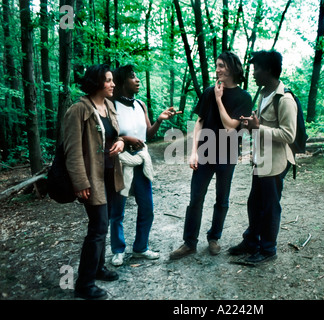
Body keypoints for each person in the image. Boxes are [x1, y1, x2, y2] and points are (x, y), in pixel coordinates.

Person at [170, 51, 252, 260]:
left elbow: (229, 127)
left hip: (228, 154)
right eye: (216, 65)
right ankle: (189, 243)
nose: (217, 69)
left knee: (221, 200)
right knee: (195, 198)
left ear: (233, 68)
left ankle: (214, 237)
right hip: (205, 153)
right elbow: (199, 122)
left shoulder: (244, 97)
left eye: (221, 65)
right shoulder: (208, 92)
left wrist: (219, 99)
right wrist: (193, 153)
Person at [63, 64, 125, 299]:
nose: (113, 84)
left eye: (112, 80)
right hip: (91, 179)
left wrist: (120, 142)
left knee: (104, 223)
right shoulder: (78, 110)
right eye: (108, 80)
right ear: (97, 83)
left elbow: (114, 135)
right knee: (98, 228)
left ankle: (98, 268)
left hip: (110, 175)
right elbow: (72, 151)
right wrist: (80, 182)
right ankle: (84, 284)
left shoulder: (108, 106)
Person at [229, 50, 297, 263]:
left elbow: (289, 134)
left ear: (268, 70)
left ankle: (268, 250)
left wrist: (260, 127)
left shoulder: (284, 99)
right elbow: (262, 128)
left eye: (257, 68)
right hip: (261, 160)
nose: (254, 73)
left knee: (269, 207)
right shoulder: (263, 94)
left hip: (275, 162)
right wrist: (251, 126)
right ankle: (251, 242)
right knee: (254, 203)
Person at [110, 65, 181, 266]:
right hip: (121, 161)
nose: (138, 80)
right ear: (123, 82)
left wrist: (159, 120)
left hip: (141, 160)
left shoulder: (140, 104)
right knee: (118, 210)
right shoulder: (111, 106)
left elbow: (148, 135)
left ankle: (141, 247)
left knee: (147, 207)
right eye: (133, 77)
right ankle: (118, 250)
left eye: (137, 77)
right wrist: (126, 138)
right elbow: (108, 137)